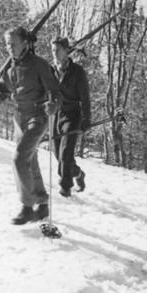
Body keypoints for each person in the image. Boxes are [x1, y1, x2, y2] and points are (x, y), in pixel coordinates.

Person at [0, 26, 61, 225]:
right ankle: (42, 204)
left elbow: (54, 91)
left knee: (19, 159)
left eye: (13, 44)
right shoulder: (9, 68)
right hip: (19, 117)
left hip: (38, 116)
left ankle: (27, 207)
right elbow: (2, 94)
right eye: (7, 45)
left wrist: (53, 103)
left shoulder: (39, 65)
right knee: (29, 160)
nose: (9, 48)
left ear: (25, 44)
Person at [50, 36, 91, 197]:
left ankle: (65, 187)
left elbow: (85, 98)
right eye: (52, 50)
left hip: (72, 115)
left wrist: (87, 119)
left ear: (66, 51)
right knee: (58, 155)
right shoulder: (50, 69)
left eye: (57, 50)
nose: (54, 53)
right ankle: (78, 173)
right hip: (55, 114)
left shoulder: (77, 71)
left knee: (66, 152)